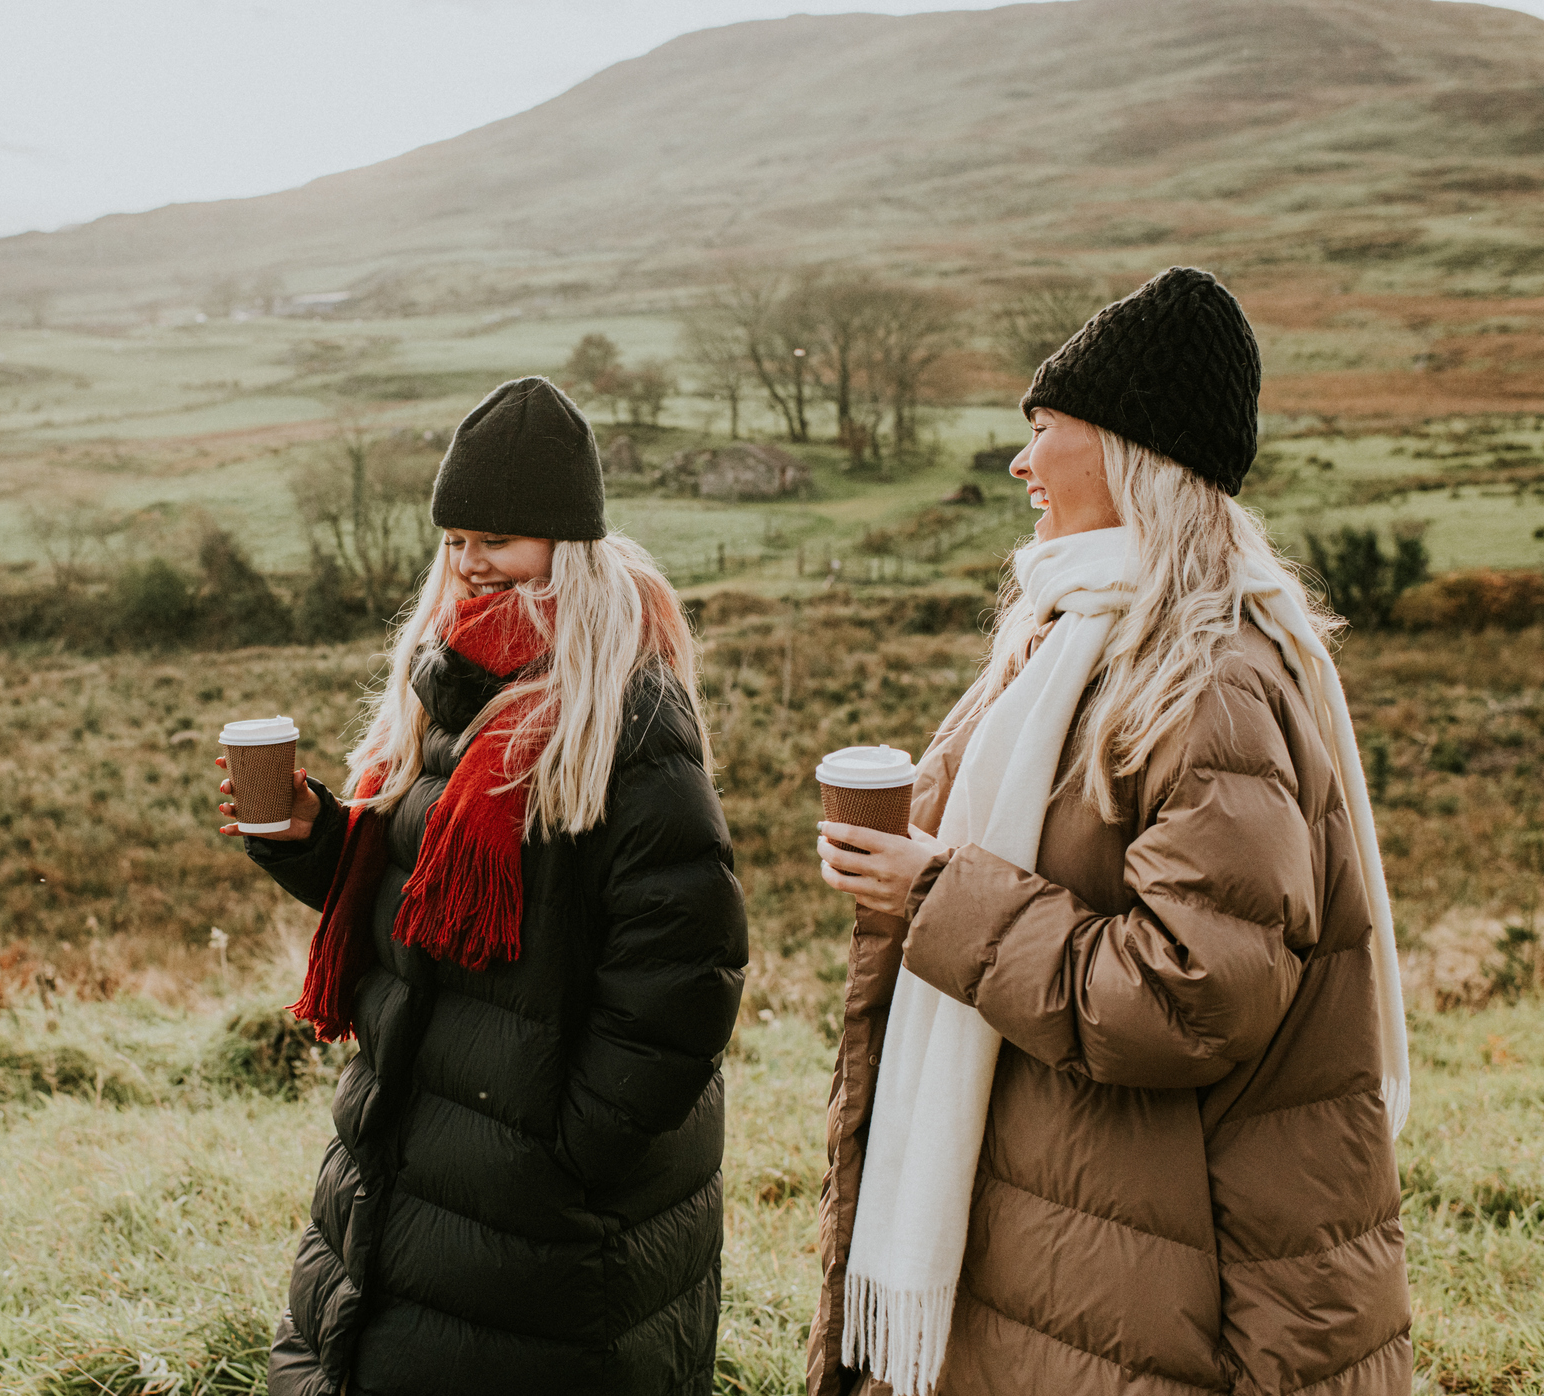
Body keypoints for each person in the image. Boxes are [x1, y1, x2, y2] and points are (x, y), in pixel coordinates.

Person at [802, 268, 1411, 1396]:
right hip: (1088, 1239)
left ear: (1130, 450)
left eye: (1045, 433)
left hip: (1176, 1284)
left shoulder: (1206, 680)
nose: (1022, 464)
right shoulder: (1074, 637)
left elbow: (1195, 991)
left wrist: (936, 897)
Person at [216, 376, 747, 1396]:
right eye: (456, 538)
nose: (469, 564)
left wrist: (566, 1154)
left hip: (541, 1222)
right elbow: (424, 905)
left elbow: (688, 973)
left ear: (567, 545)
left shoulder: (623, 716)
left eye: (498, 539)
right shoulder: (454, 684)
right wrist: (311, 835)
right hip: (409, 1160)